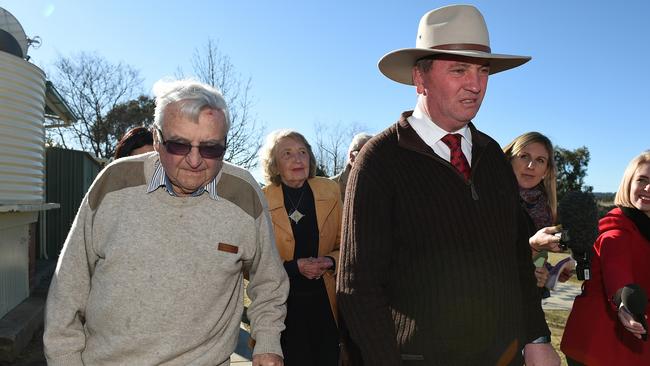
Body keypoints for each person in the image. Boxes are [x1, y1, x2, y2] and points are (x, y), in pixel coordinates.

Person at [336, 5, 560, 365]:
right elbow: (357, 286)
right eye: (459, 69)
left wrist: (536, 337)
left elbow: (517, 259)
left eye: (483, 70)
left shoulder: (494, 159)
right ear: (420, 79)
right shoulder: (380, 160)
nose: (476, 84)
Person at [43, 79, 289, 366]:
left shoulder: (243, 193)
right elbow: (69, 287)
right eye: (178, 145)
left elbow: (269, 280)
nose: (195, 160)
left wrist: (268, 342)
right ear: (157, 140)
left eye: (210, 148)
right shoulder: (115, 182)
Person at [259, 129, 341, 366]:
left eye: (303, 152)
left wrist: (330, 261)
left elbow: (346, 242)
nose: (297, 159)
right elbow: (252, 260)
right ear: (274, 164)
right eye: (287, 154)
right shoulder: (261, 199)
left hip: (326, 305)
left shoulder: (330, 191)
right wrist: (295, 267)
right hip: (282, 308)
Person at [561, 151, 650, 366]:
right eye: (642, 180)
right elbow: (616, 268)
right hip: (599, 346)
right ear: (629, 181)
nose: (648, 189)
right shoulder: (617, 229)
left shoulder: (644, 229)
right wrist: (624, 303)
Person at [503, 132, 573, 297]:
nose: (531, 166)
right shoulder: (488, 198)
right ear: (509, 159)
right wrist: (530, 251)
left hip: (525, 303)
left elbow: (537, 259)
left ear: (546, 171)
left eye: (540, 160)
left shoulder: (543, 209)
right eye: (524, 156)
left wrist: (549, 273)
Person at [330, 132, 373, 201]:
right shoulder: (330, 187)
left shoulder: (381, 188)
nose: (372, 159)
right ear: (352, 156)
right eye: (367, 153)